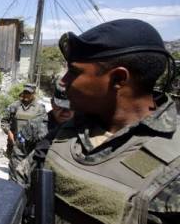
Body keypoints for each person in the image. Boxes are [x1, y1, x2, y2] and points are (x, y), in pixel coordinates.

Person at [36, 19, 180, 224]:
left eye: (74, 72)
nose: (63, 81)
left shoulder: (173, 161)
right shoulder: (68, 131)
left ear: (118, 79)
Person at [15, 78, 74, 188]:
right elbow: (18, 153)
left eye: (70, 106)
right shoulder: (35, 125)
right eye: (60, 105)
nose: (65, 111)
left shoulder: (84, 130)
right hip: (38, 184)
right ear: (52, 103)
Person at [0, 83, 47, 181]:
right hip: (16, 144)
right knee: (14, 172)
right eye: (25, 92)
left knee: (29, 174)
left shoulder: (40, 108)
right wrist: (9, 133)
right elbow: (4, 121)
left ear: (34, 94)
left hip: (31, 146)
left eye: (28, 93)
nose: (26, 95)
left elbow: (43, 127)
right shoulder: (15, 106)